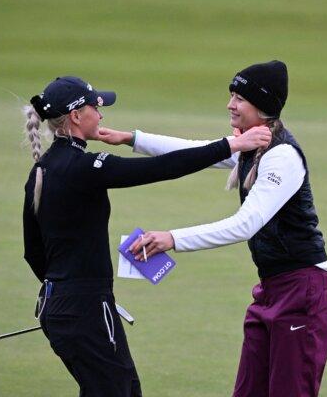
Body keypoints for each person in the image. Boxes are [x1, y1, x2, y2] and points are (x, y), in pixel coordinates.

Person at [21, 75, 272, 397]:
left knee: (123, 389)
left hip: (60, 305)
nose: (101, 115)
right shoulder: (83, 166)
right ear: (76, 116)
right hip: (84, 307)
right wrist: (231, 145)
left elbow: (33, 253)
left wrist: (67, 293)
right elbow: (161, 169)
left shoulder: (43, 168)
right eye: (96, 107)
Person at [98, 61, 327, 397]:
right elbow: (197, 150)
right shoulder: (252, 146)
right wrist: (132, 139)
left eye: (240, 97)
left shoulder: (282, 156)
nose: (230, 104)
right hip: (272, 290)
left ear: (263, 106)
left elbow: (246, 224)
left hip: (303, 294)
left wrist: (172, 239)